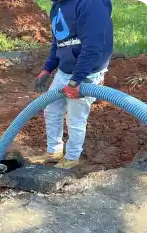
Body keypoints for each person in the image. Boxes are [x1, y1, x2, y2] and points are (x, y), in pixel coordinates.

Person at [34, 0, 113, 169]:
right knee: (51, 109)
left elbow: (93, 46)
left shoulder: (92, 3)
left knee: (75, 117)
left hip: (87, 73)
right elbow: (59, 42)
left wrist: (76, 80)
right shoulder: (58, 5)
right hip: (64, 71)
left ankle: (72, 157)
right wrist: (47, 69)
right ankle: (53, 151)